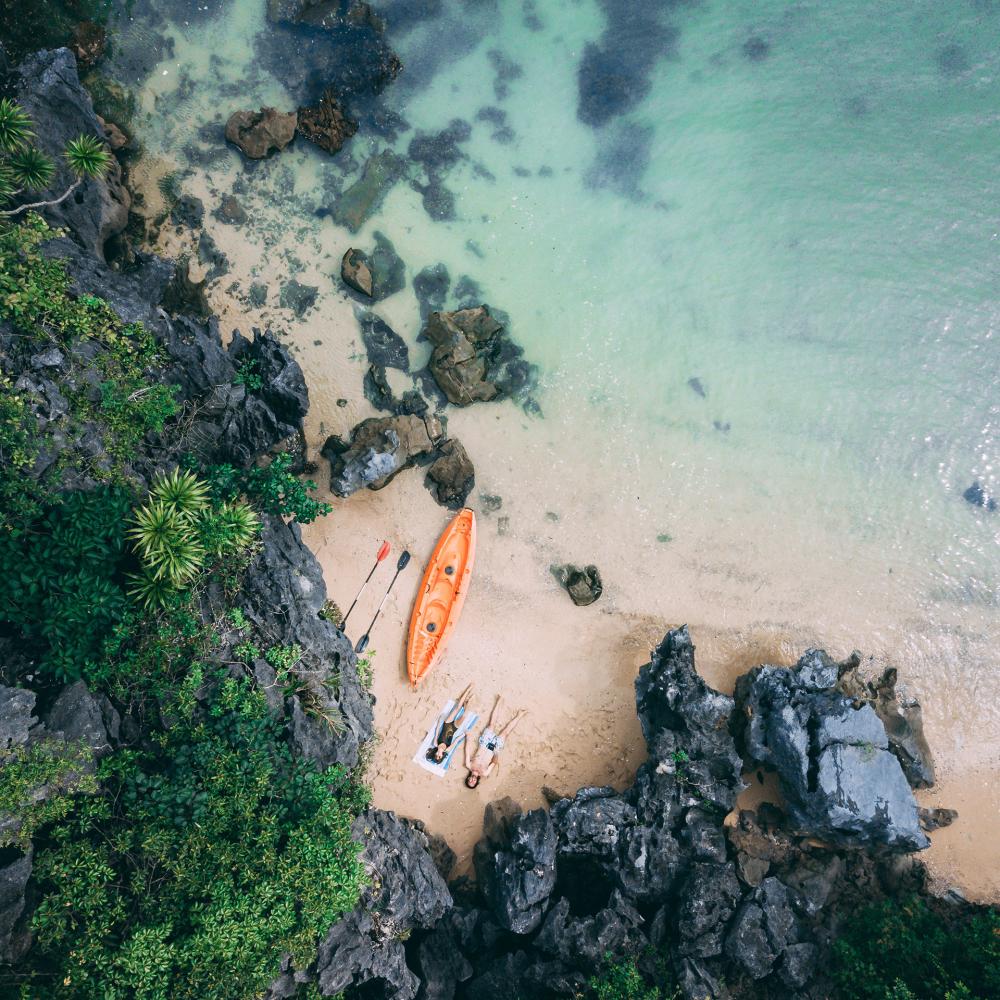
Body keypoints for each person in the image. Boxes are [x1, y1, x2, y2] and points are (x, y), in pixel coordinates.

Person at [464, 695, 525, 788]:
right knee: (505, 733)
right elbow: (493, 763)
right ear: (477, 782)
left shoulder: (469, 765)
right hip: (493, 749)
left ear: (468, 779)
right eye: (474, 783)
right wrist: (496, 752)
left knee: (491, 724)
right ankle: (520, 715)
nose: (473, 780)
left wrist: (468, 737)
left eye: (470, 782)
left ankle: (499, 701)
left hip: (484, 743)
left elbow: (467, 751)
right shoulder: (484, 773)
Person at [425, 683, 474, 764]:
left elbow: (437, 732)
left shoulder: (435, 744)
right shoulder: (448, 749)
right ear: (442, 756)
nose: (438, 754)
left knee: (458, 707)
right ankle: (466, 703)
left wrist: (439, 721)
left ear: (434, 753)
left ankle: (468, 690)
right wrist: (464, 734)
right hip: (455, 728)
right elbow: (456, 740)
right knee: (466, 714)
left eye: (436, 755)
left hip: (447, 723)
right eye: (439, 757)